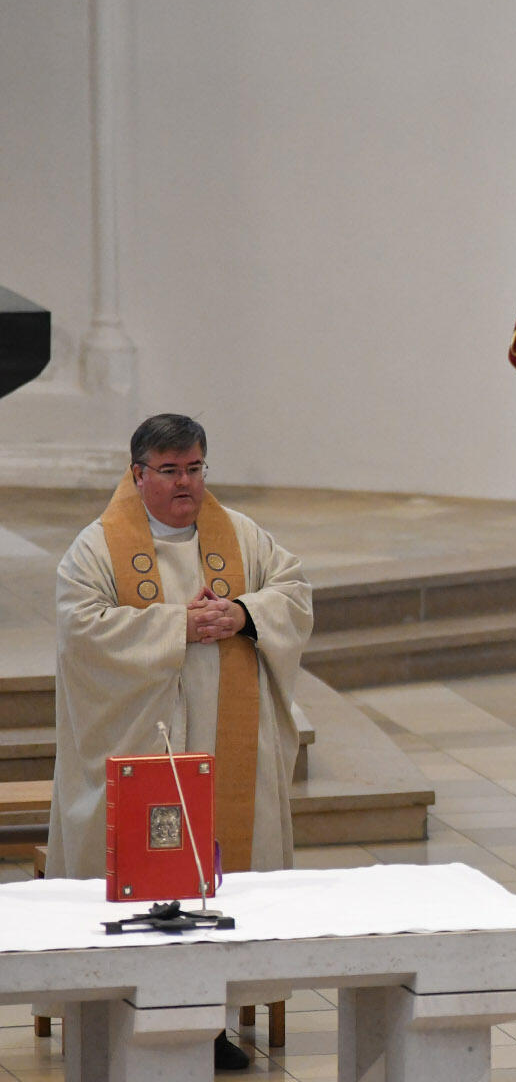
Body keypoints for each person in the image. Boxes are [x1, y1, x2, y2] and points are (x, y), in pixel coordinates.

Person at [49, 413, 313, 1069]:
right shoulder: (95, 549)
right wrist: (175, 627)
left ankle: (213, 1024)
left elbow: (293, 592)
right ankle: (117, 1008)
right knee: (151, 874)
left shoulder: (241, 538)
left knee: (215, 879)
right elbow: (82, 632)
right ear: (138, 475)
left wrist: (245, 613)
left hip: (226, 749)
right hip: (141, 744)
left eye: (195, 468)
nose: (185, 483)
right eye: (169, 471)